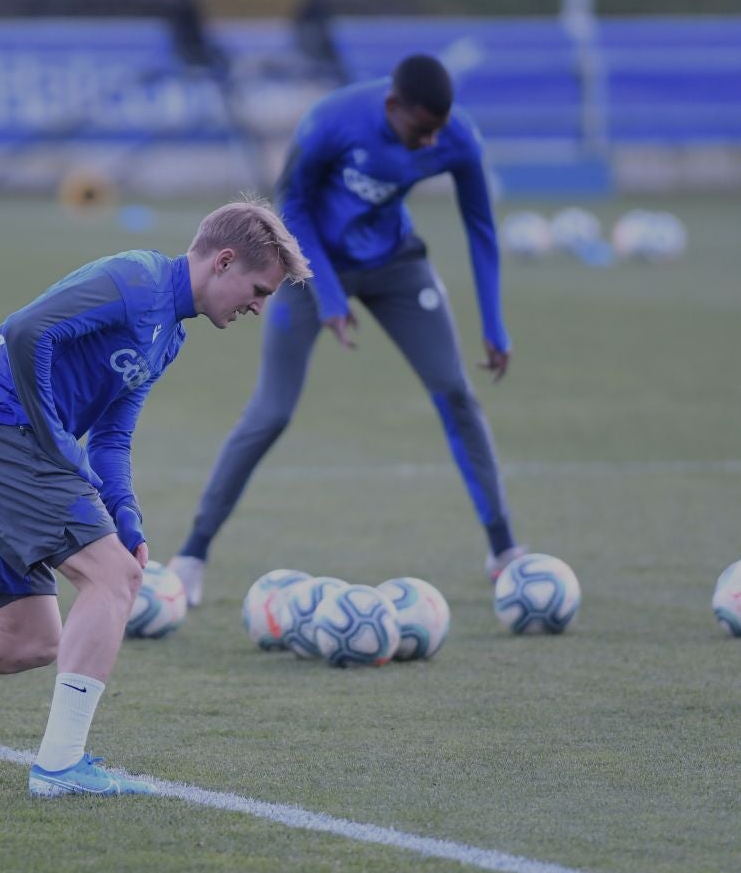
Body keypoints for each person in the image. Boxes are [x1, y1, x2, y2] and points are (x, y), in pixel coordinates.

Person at [0, 201, 311, 796]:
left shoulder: (169, 336)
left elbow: (112, 436)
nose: (258, 306)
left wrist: (127, 519)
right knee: (112, 581)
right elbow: (29, 331)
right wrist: (55, 440)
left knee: (30, 639)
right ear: (224, 261)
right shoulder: (137, 278)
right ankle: (59, 768)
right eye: (258, 289)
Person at [168, 54, 526, 607]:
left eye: (439, 132)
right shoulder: (331, 121)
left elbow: (479, 226)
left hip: (397, 265)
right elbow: (294, 208)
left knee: (455, 392)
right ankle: (191, 556)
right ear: (391, 107)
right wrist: (330, 297)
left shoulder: (457, 138)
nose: (432, 144)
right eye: (420, 131)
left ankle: (504, 551)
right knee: (271, 413)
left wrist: (495, 323)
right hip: (311, 269)